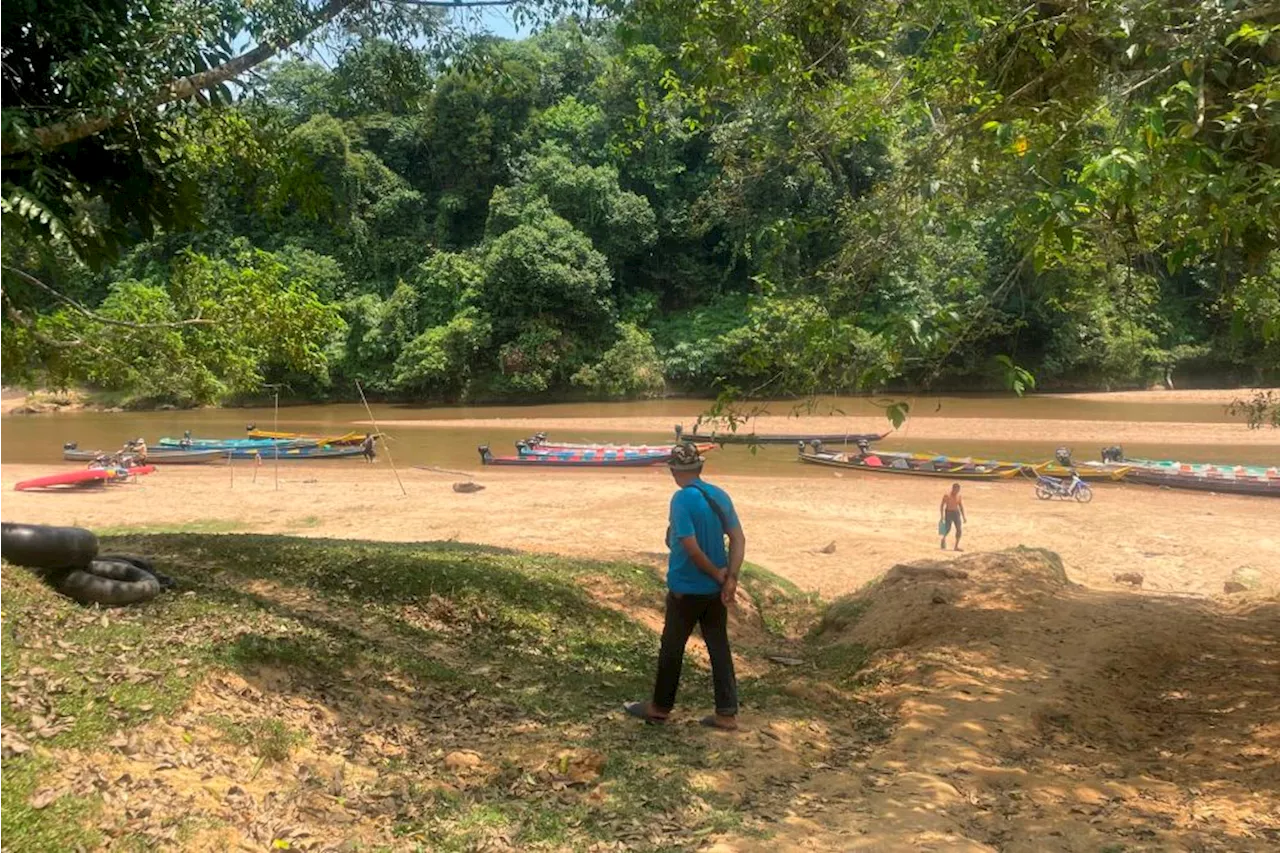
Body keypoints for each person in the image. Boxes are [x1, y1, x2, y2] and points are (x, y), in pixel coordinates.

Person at [625, 443, 745, 730]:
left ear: (674, 471)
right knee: (718, 646)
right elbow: (739, 539)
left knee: (672, 647)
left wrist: (719, 575)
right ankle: (726, 714)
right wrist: (731, 578)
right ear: (700, 468)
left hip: (686, 588)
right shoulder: (719, 495)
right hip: (714, 593)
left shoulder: (681, 500)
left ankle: (660, 708)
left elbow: (690, 548)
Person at [939, 483, 965, 551]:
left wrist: (964, 516)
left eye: (958, 490)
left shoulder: (959, 496)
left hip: (956, 513)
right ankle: (943, 539)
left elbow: (961, 506)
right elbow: (942, 505)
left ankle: (956, 546)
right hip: (948, 512)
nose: (956, 491)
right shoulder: (947, 495)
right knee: (948, 528)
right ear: (953, 489)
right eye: (955, 490)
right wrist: (942, 516)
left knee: (959, 529)